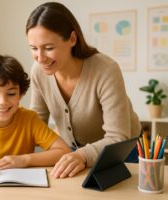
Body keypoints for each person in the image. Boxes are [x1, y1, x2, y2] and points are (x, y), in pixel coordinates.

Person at [26, 2, 141, 178]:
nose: (40, 58)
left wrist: (82, 155)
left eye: (48, 48)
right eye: (34, 48)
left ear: (72, 39)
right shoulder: (38, 71)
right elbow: (36, 124)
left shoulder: (106, 69)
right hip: (73, 153)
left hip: (121, 150)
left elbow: (118, 136)